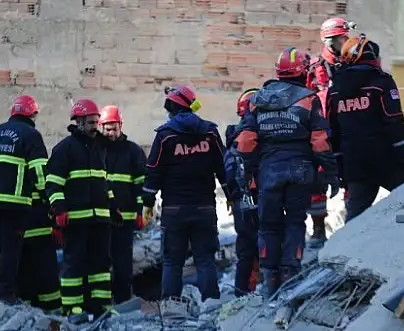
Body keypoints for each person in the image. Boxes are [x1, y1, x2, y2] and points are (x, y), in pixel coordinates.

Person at [235, 47, 339, 297]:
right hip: (300, 171)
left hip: (268, 173)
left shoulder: (258, 100)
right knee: (294, 222)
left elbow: (246, 141)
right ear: (304, 72)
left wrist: (248, 175)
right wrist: (331, 173)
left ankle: (270, 283)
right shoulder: (309, 98)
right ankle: (290, 279)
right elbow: (320, 140)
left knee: (268, 227)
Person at [141, 85, 228, 302]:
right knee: (206, 260)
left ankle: (171, 309)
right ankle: (211, 305)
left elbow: (154, 171)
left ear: (172, 108)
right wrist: (232, 196)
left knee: (172, 262)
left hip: (174, 210)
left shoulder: (166, 136)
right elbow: (223, 167)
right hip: (205, 208)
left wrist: (148, 203)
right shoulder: (210, 133)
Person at [326, 35, 404, 222]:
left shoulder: (334, 90)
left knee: (354, 222)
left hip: (355, 165)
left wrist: (340, 167)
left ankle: (344, 251)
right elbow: (393, 121)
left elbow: (332, 132)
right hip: (387, 161)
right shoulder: (382, 82)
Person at [0, 95, 49, 305]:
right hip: (15, 203)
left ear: (13, 112)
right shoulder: (31, 135)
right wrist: (46, 197)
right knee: (10, 249)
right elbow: (40, 171)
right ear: (32, 114)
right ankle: (6, 293)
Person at [46, 99, 116, 319]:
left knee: (101, 263)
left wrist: (112, 207)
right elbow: (53, 182)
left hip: (100, 219)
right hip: (75, 219)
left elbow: (104, 181)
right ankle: (72, 307)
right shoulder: (64, 149)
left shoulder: (100, 148)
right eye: (90, 123)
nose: (95, 127)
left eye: (97, 122)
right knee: (74, 262)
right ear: (78, 122)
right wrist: (59, 209)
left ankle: (101, 305)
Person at [98, 105, 148, 304]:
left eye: (114, 128)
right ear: (101, 127)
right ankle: (101, 304)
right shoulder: (95, 150)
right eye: (107, 129)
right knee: (99, 264)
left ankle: (123, 302)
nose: (111, 133)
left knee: (123, 264)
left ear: (121, 126)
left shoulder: (133, 151)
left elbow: (142, 184)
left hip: (124, 221)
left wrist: (139, 212)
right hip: (100, 219)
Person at [224, 88, 260, 297]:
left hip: (240, 201)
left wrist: (232, 195)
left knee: (245, 249)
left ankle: (241, 294)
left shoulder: (234, 138)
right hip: (259, 198)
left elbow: (228, 171)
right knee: (265, 244)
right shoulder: (260, 135)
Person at [305, 58, 333, 249]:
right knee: (317, 190)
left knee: (317, 189)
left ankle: (318, 230)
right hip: (323, 145)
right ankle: (318, 230)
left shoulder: (313, 97)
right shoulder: (322, 95)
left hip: (318, 146)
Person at [17, 191, 62, 311]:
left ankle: (27, 308)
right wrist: (54, 221)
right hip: (40, 225)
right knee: (45, 271)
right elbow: (46, 189)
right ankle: (53, 308)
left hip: (18, 227)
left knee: (24, 272)